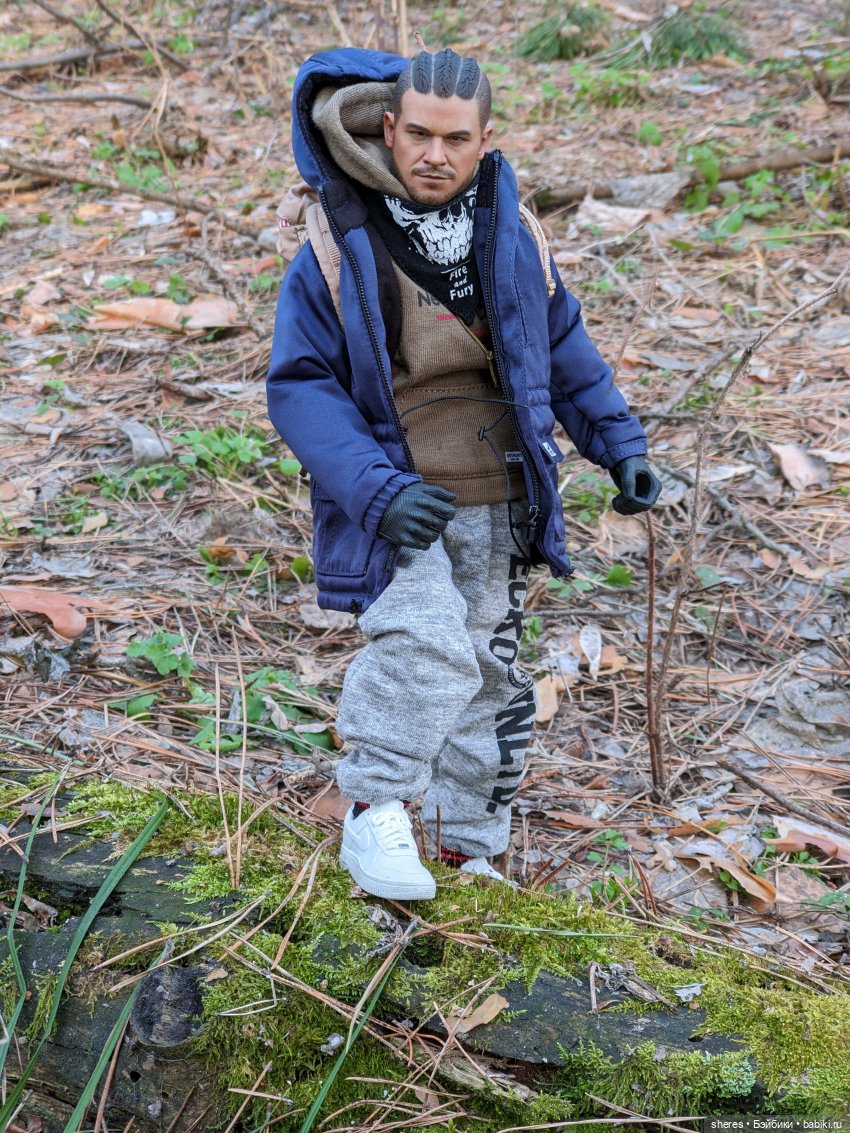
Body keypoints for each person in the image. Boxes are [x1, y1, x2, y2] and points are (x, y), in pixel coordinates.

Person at [266, 46, 661, 901]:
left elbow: (563, 353)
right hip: (394, 497)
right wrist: (376, 491)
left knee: (490, 673)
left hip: (498, 491)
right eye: (417, 134)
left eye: (455, 138)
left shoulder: (512, 236)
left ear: (486, 140)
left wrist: (618, 442)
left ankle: (465, 842)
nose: (434, 155)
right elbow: (302, 389)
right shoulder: (338, 243)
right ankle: (374, 809)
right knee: (423, 644)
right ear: (387, 127)